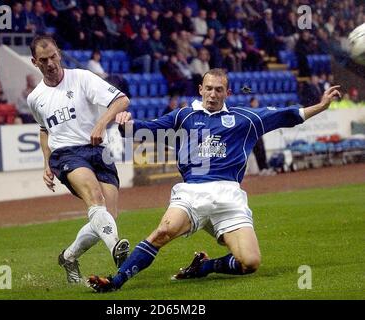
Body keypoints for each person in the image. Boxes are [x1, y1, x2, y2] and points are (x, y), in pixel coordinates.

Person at [87, 68, 342, 292]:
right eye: (208, 88)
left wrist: (320, 106)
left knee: (250, 262)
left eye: (218, 89)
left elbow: (288, 116)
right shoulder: (183, 116)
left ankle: (204, 267)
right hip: (192, 192)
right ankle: (116, 281)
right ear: (200, 89)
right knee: (163, 232)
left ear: (227, 93)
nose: (212, 94)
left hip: (229, 196)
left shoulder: (246, 119)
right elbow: (145, 129)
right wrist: (124, 123)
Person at [26, 35, 130, 284]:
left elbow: (122, 99)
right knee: (95, 198)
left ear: (59, 53)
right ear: (34, 62)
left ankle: (69, 257)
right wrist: (46, 163)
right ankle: (117, 249)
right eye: (43, 60)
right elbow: (44, 131)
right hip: (66, 155)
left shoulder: (82, 78)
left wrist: (101, 124)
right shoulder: (35, 98)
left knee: (107, 218)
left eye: (53, 56)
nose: (50, 63)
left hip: (98, 150)